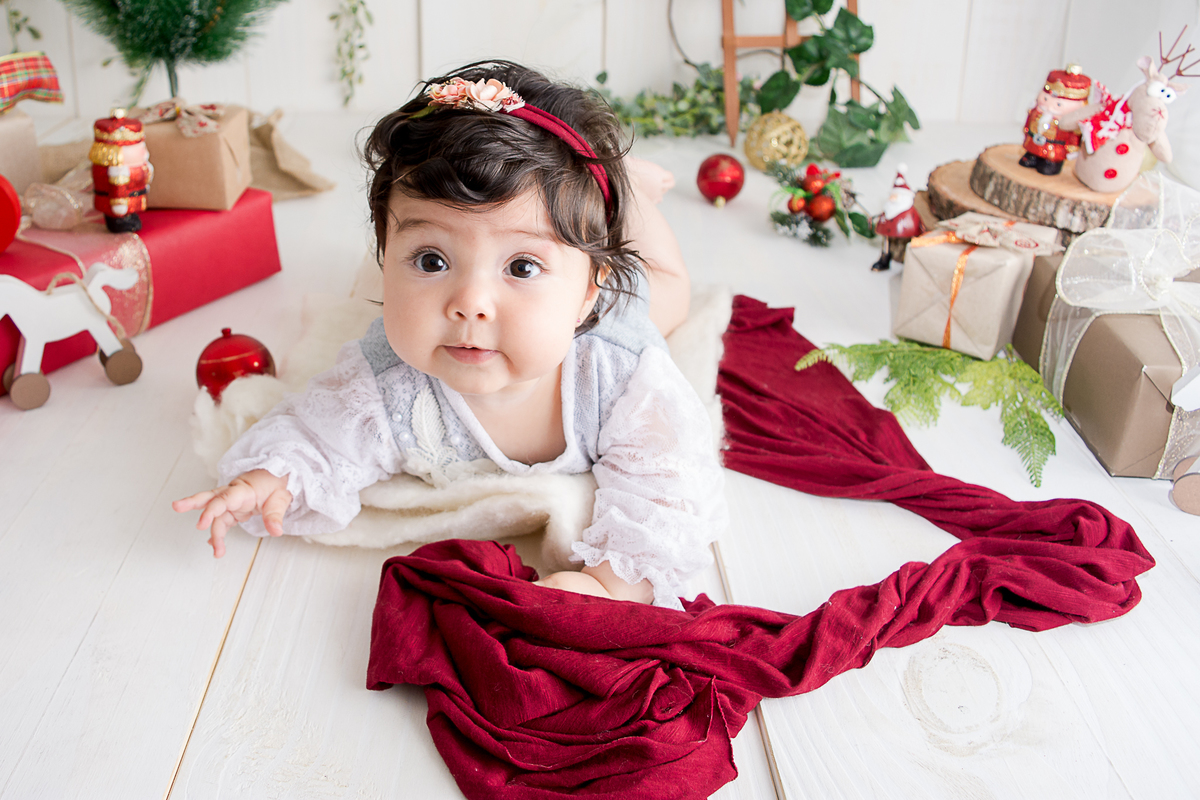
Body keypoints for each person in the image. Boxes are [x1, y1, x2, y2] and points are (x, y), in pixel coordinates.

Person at [173, 61, 726, 610]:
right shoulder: (388, 379)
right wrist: (275, 476)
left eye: (522, 267)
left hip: (621, 312)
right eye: (431, 259)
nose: (468, 305)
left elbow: (670, 492)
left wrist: (609, 583)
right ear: (386, 258)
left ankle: (629, 190)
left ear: (585, 293)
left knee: (670, 288)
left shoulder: (621, 376)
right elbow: (320, 431)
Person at [1019, 65, 1092, 176]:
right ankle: (1031, 156)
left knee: (1050, 162)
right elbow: (1030, 119)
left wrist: (1073, 146)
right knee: (1032, 150)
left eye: (1058, 104)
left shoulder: (1069, 123)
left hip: (1054, 148)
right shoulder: (1037, 111)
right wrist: (1026, 130)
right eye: (1045, 99)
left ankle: (1050, 163)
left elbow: (1074, 135)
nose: (1049, 106)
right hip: (1035, 141)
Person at [870, 166, 925, 272]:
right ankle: (884, 259)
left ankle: (910, 262)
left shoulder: (908, 211)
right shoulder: (890, 210)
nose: (892, 198)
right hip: (888, 236)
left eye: (896, 195)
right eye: (892, 195)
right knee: (886, 244)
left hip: (909, 236)